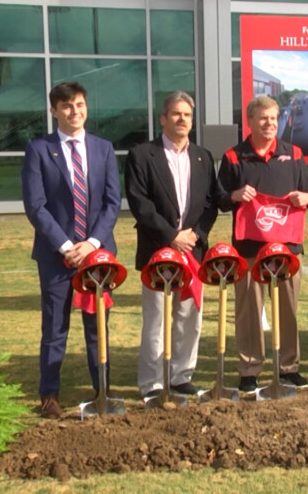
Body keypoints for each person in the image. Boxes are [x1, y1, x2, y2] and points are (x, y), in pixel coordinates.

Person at [22, 81, 121, 419]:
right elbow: (36, 206)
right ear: (54, 111)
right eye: (66, 106)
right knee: (54, 329)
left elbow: (111, 203)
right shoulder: (38, 150)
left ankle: (102, 391)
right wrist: (66, 246)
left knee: (98, 328)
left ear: (86, 107)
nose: (74, 111)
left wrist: (91, 244)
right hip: (56, 257)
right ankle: (49, 395)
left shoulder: (103, 148)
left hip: (97, 257)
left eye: (79, 104)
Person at [125, 91, 219, 399]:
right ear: (163, 118)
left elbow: (210, 203)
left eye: (187, 115)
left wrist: (195, 235)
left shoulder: (203, 157)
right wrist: (171, 236)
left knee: (189, 318)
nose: (182, 119)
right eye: (176, 114)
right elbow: (140, 203)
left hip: (193, 250)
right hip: (158, 250)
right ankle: (152, 383)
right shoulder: (142, 155)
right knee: (156, 320)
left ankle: (181, 375)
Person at [218, 95, 308, 391]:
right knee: (248, 311)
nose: (270, 123)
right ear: (250, 121)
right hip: (248, 249)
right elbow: (220, 198)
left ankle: (288, 367)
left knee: (288, 309)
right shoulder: (234, 156)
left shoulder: (294, 153)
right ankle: (249, 369)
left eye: (274, 118)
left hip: (287, 250)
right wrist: (234, 196)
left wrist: (307, 198)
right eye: (263, 118)